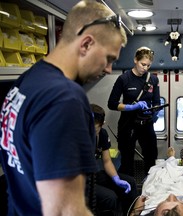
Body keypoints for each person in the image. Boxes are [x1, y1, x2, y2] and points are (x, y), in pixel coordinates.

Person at [0, 1, 127, 215]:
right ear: (86, 44)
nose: (108, 69)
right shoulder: (65, 99)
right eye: (108, 58)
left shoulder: (25, 83)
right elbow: (65, 210)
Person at [108, 46, 161, 176]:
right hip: (128, 124)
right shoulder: (124, 79)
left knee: (151, 158)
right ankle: (128, 190)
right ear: (135, 60)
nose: (145, 68)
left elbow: (156, 102)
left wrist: (154, 112)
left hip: (146, 124)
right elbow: (112, 104)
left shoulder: (152, 79)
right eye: (143, 64)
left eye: (148, 66)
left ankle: (149, 189)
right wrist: (130, 107)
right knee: (127, 161)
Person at [90, 104, 138, 215]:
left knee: (130, 182)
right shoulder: (75, 138)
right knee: (110, 198)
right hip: (78, 181)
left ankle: (130, 213)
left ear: (102, 125)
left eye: (95, 130)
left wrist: (116, 178)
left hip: (93, 175)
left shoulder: (101, 134)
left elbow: (107, 161)